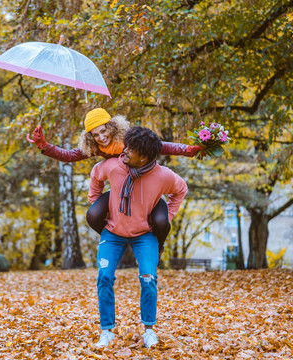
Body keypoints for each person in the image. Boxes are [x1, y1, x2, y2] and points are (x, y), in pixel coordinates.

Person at [27, 108, 201, 254]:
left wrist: (188, 150)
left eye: (103, 131)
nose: (101, 137)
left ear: (112, 126)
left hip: (146, 186)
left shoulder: (129, 139)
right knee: (93, 215)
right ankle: (116, 240)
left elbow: (161, 146)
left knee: (162, 222)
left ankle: (158, 246)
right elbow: (69, 155)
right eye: (95, 135)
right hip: (121, 190)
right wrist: (44, 145)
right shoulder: (96, 146)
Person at [87, 126, 188, 348]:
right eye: (126, 145)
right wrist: (95, 201)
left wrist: (168, 215)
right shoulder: (114, 166)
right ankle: (107, 332)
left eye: (131, 149)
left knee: (149, 278)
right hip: (113, 232)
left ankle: (149, 330)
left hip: (144, 235)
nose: (124, 151)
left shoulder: (163, 176)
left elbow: (181, 190)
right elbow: (96, 174)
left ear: (144, 156)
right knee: (104, 276)